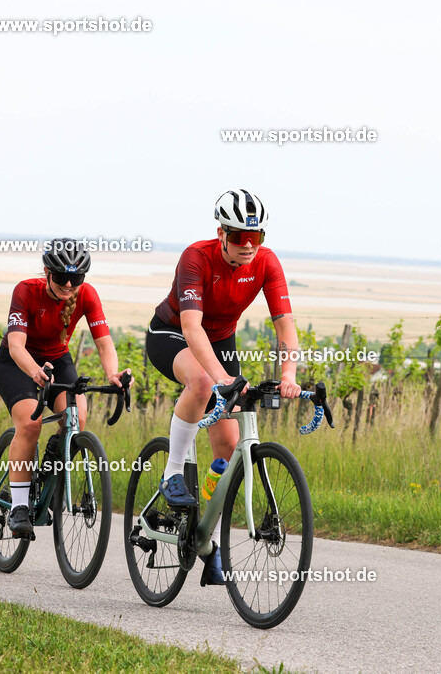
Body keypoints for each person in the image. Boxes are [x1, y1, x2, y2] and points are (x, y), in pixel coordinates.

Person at [145, 189, 300, 584]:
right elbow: (192, 327)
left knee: (231, 449)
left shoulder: (266, 262)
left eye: (256, 237)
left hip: (220, 343)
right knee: (200, 384)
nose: (248, 246)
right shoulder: (196, 257)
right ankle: (173, 473)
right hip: (173, 333)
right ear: (221, 233)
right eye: (238, 237)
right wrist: (222, 380)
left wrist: (288, 375)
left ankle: (206, 544)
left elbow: (285, 325)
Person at [0, 238, 131, 537]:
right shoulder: (25, 290)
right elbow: (16, 345)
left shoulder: (87, 294)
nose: (69, 285)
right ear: (47, 272)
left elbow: (104, 341)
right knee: (31, 423)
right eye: (61, 278)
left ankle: (49, 468)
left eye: (76, 279)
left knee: (77, 418)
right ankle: (18, 506)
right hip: (17, 363)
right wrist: (34, 372)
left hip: (57, 359)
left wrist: (112, 374)